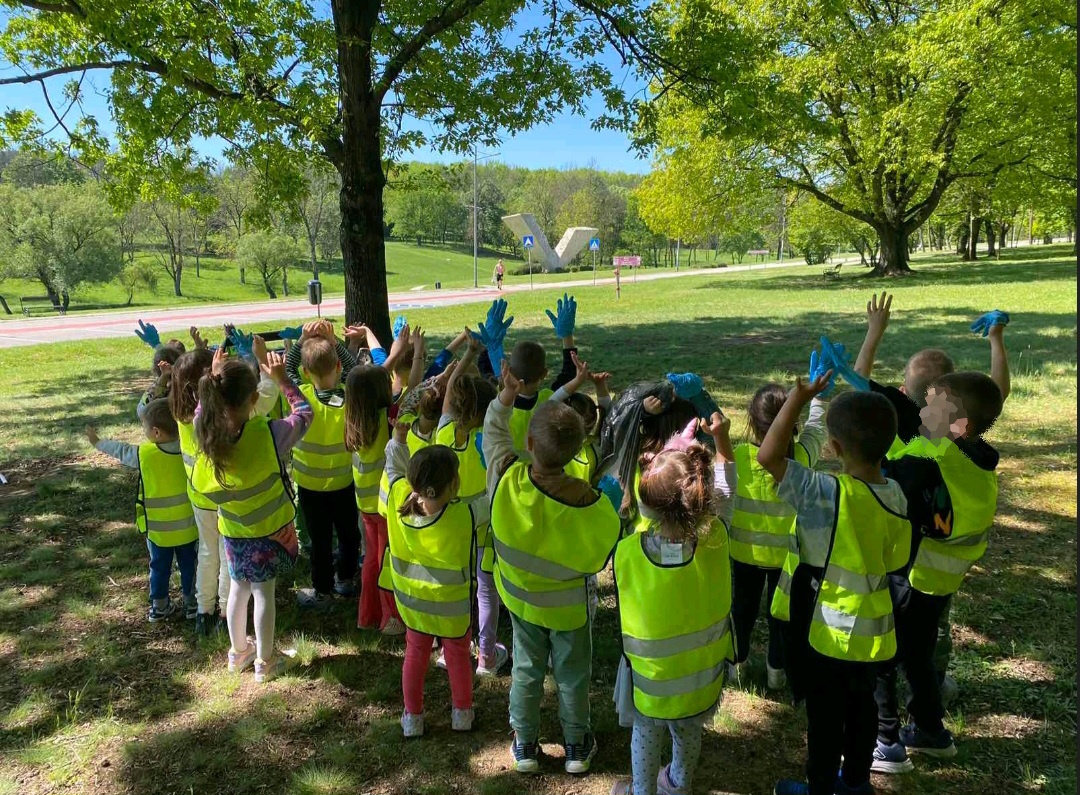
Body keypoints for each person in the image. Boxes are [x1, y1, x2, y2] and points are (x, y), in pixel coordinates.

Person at [852, 295, 1012, 710]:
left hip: (916, 569)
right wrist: (996, 339)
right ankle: (935, 687)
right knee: (934, 630)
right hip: (952, 567)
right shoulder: (970, 440)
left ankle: (909, 705)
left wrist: (873, 333)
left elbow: (859, 390)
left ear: (905, 393)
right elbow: (995, 394)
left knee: (903, 636)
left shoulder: (918, 440)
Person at [758, 377, 910, 795]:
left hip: (825, 632)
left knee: (824, 719)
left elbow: (768, 456)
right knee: (862, 711)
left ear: (835, 447)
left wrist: (799, 398)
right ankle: (856, 783)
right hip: (874, 633)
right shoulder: (896, 493)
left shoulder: (823, 492)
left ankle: (820, 787)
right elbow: (896, 560)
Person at [485, 360, 622, 775]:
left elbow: (494, 432)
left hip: (522, 603)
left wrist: (507, 394)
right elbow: (605, 544)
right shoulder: (587, 499)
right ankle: (576, 745)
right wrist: (610, 502)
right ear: (578, 452)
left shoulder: (506, 477)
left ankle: (525, 743)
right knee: (573, 675)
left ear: (528, 442)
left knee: (526, 670)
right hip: (569, 611)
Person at [870, 372, 1003, 772]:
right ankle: (930, 731)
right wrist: (868, 384)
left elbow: (886, 478)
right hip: (941, 581)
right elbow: (915, 422)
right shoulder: (974, 454)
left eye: (933, 408)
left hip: (915, 577)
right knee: (917, 655)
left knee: (882, 653)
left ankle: (885, 741)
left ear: (958, 425)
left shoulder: (931, 459)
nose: (923, 412)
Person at [609, 411, 736, 795]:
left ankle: (642, 791)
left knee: (645, 734)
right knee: (688, 730)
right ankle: (679, 782)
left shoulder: (628, 552)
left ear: (647, 503)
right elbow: (726, 490)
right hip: (701, 677)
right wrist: (721, 440)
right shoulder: (717, 537)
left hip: (650, 681)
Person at [190, 348, 312, 683]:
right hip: (268, 531)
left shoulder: (205, 432)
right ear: (254, 398)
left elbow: (201, 412)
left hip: (233, 530)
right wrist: (284, 380)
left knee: (238, 589)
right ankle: (265, 661)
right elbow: (304, 414)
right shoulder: (269, 434)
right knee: (263, 593)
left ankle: (238, 652)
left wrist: (215, 372)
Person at [727, 382, 827, 690]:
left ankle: (737, 666)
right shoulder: (801, 457)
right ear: (792, 422)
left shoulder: (739, 457)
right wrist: (818, 399)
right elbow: (817, 429)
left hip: (745, 554)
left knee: (741, 611)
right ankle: (776, 672)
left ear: (752, 421)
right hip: (788, 559)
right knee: (780, 616)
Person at [380, 434, 477, 738]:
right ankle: (462, 714)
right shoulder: (465, 514)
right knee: (457, 655)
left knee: (415, 654)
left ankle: (412, 718)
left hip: (413, 605)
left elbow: (393, 469)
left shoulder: (398, 499)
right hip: (452, 608)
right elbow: (495, 498)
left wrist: (398, 440)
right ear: (453, 485)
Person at [86, 398, 199, 622]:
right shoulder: (189, 450)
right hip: (188, 528)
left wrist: (98, 442)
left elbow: (121, 450)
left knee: (159, 567)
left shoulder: (144, 455)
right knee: (190, 566)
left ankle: (159, 607)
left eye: (144, 428)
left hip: (157, 531)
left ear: (156, 432)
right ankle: (192, 604)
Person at [348, 325, 423, 635]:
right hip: (384, 504)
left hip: (364, 504)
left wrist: (381, 342)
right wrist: (415, 352)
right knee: (384, 560)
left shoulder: (352, 416)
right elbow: (414, 387)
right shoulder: (387, 417)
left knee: (371, 560)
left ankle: (367, 615)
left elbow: (373, 376)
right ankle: (390, 617)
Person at [438, 339, 506, 674]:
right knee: (486, 589)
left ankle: (448, 648)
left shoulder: (443, 432)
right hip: (484, 525)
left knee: (456, 588)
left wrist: (468, 354)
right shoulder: (491, 439)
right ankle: (487, 657)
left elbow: (451, 387)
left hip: (452, 525)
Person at [286, 320, 362, 607]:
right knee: (348, 535)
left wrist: (301, 340)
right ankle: (346, 579)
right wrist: (335, 343)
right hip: (344, 482)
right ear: (338, 367)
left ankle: (323, 592)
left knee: (319, 541)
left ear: (306, 373)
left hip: (310, 486)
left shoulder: (302, 398)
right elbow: (355, 372)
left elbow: (286, 372)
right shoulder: (348, 396)